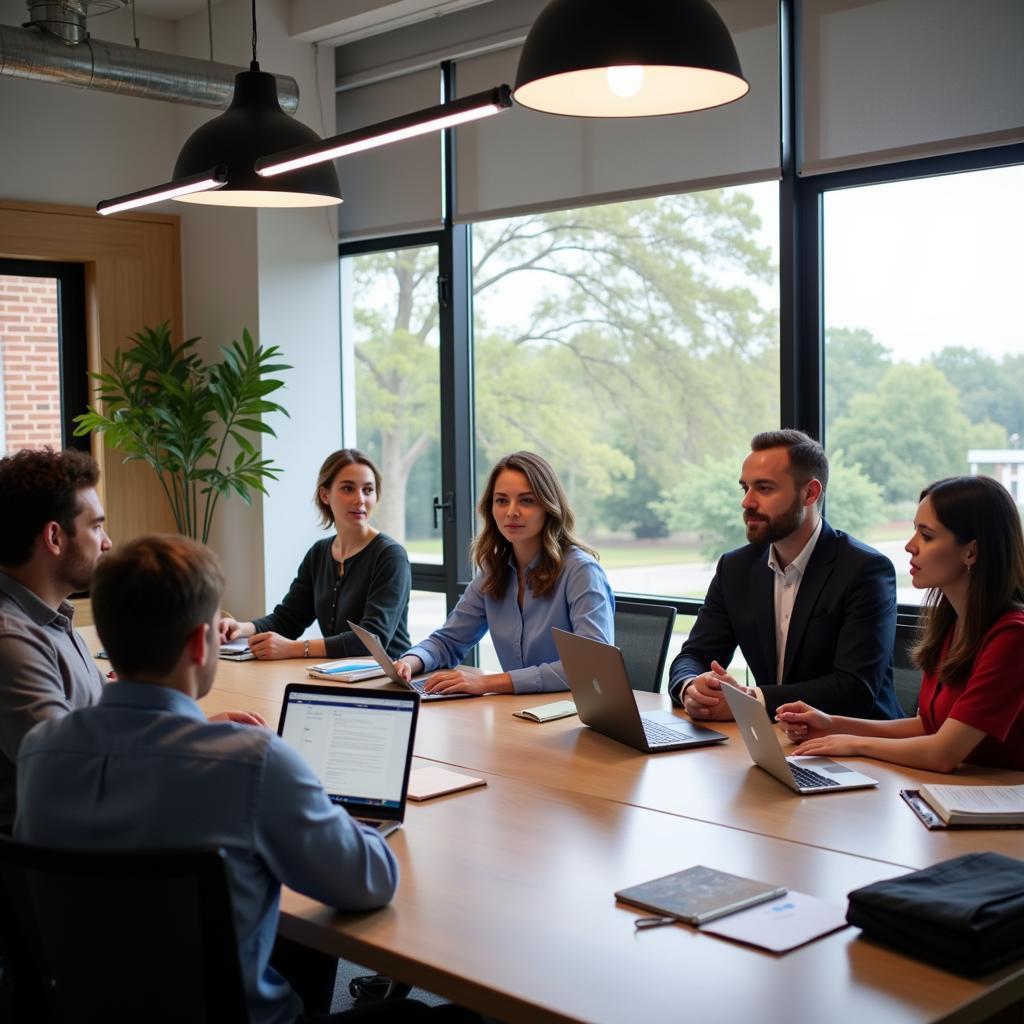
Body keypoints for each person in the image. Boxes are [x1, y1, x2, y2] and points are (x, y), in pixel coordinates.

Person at [15, 535, 476, 1024]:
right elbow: (372, 881)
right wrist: (321, 797)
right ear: (200, 643)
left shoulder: (41, 751)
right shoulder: (252, 764)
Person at [778, 476, 1024, 772]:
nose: (910, 546)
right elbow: (928, 726)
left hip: (996, 803)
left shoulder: (1012, 636)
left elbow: (942, 753)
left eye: (927, 536)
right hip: (952, 792)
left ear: (971, 552)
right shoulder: (953, 622)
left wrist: (854, 744)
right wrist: (832, 725)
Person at [669, 429, 901, 721]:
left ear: (810, 493)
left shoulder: (864, 569)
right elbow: (694, 656)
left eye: (764, 489)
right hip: (773, 740)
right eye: (745, 488)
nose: (747, 502)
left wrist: (751, 700)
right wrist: (693, 687)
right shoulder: (735, 567)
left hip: (857, 746)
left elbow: (854, 689)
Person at [395, 451, 614, 695]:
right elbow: (448, 641)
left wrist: (487, 683)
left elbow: (590, 667)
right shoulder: (494, 569)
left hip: (571, 714)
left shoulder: (581, 571)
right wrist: (409, 662)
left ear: (549, 506)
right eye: (501, 500)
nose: (511, 512)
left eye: (526, 501)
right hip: (518, 711)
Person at [0, 447, 111, 833]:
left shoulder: (51, 619)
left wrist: (193, 733)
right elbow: (69, 772)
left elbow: (102, 712)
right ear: (54, 537)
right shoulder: (11, 640)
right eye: (96, 527)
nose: (107, 542)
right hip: (57, 868)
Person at [220, 448, 411, 660]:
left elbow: (370, 641)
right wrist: (240, 628)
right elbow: (288, 619)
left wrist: (293, 648)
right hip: (340, 678)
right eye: (348, 489)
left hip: (389, 680)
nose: (360, 499)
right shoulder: (319, 553)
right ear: (324, 495)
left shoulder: (390, 556)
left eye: (368, 490)